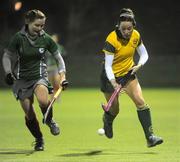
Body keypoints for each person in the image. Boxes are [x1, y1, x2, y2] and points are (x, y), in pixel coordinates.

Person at [2, 9, 68, 151]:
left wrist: (63, 75)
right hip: (21, 80)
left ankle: (50, 121)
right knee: (29, 113)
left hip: (39, 76)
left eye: (42, 26)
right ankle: (39, 139)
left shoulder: (46, 39)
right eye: (37, 25)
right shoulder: (18, 38)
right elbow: (7, 56)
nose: (40, 29)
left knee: (44, 100)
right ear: (28, 22)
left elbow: (58, 58)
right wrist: (8, 72)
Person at [100, 8, 163, 147]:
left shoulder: (136, 35)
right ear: (118, 26)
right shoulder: (111, 39)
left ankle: (150, 137)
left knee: (141, 102)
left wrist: (139, 65)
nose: (127, 31)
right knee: (115, 109)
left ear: (133, 26)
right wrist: (113, 82)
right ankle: (108, 120)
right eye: (124, 29)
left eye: (129, 28)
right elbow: (108, 66)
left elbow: (144, 54)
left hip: (128, 74)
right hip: (109, 77)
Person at [46, 33, 67, 100]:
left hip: (56, 67)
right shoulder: (47, 47)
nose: (53, 39)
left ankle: (58, 96)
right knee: (50, 84)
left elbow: (63, 55)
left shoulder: (59, 47)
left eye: (54, 38)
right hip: (49, 67)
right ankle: (51, 97)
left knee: (57, 82)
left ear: (57, 39)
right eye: (52, 38)